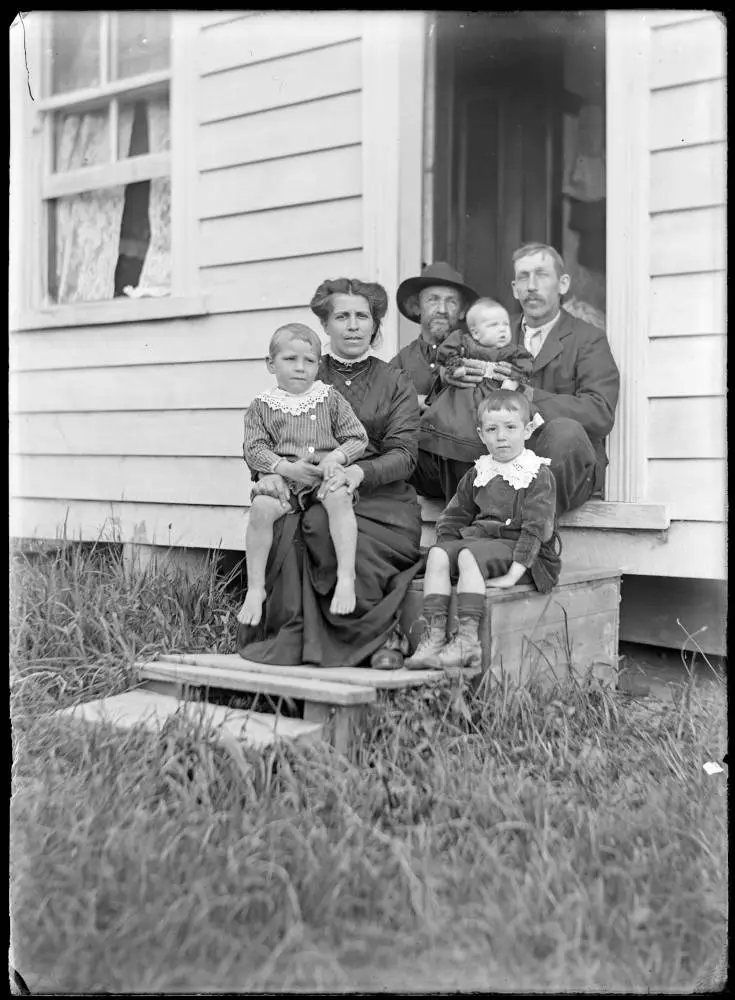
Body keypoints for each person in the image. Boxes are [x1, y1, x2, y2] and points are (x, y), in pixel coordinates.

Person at [237, 278, 423, 669]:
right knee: (293, 524)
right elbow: (268, 436)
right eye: (342, 316)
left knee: (326, 523)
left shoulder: (395, 381)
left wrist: (358, 474)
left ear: (375, 325)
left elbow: (405, 455)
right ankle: (298, 638)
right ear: (326, 325)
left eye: (362, 316)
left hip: (377, 491)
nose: (353, 325)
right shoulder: (303, 368)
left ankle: (376, 638)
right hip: (306, 485)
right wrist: (266, 475)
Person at [434, 243, 620, 515]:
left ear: (563, 284)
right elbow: (455, 367)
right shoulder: (493, 331)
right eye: (523, 277)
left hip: (558, 464)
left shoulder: (588, 339)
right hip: (501, 454)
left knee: (564, 433)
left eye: (542, 275)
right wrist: (451, 374)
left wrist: (528, 395)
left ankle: (515, 531)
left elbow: (599, 412)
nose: (531, 286)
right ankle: (479, 526)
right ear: (514, 288)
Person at [405, 389, 561, 672]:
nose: (501, 436)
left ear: (527, 431)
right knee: (439, 554)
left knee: (468, 556)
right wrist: (447, 550)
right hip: (480, 543)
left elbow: (538, 528)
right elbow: (454, 515)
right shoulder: (479, 471)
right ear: (481, 435)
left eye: (511, 427)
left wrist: (514, 574)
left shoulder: (536, 472)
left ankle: (468, 641)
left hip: (520, 549)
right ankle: (434, 637)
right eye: (492, 429)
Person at [238, 323, 369, 626]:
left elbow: (357, 437)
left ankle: (346, 577)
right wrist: (282, 468)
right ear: (271, 364)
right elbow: (254, 448)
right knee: (261, 509)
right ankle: (255, 588)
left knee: (340, 497)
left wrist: (336, 458)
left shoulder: (329, 398)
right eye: (290, 360)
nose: (300, 368)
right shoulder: (262, 406)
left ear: (319, 365)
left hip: (323, 475)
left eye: (309, 361)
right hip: (284, 481)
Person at [389, 261, 480, 502]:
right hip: (422, 472)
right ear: (416, 307)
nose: (442, 309)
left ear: (462, 311)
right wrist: (410, 401)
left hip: (470, 468)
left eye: (451, 301)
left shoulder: (477, 354)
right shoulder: (400, 363)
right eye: (433, 300)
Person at [419, 297, 535, 466]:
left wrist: (513, 376)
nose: (502, 330)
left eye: (505, 324)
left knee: (506, 426)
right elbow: (447, 350)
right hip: (468, 397)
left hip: (498, 395)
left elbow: (526, 363)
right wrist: (455, 366)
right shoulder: (466, 343)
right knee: (459, 427)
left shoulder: (512, 351)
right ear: (475, 332)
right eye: (493, 325)